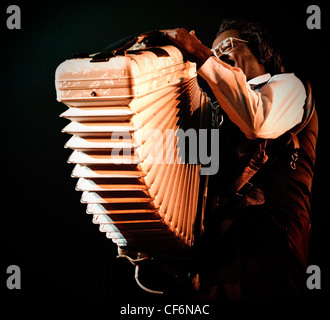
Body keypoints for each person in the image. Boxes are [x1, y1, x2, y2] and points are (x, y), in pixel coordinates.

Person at [162, 19, 318, 299]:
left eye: (228, 46)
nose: (219, 53)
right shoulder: (217, 115)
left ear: (262, 53)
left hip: (271, 250)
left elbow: (258, 122)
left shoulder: (289, 85)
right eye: (214, 49)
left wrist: (201, 53)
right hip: (222, 258)